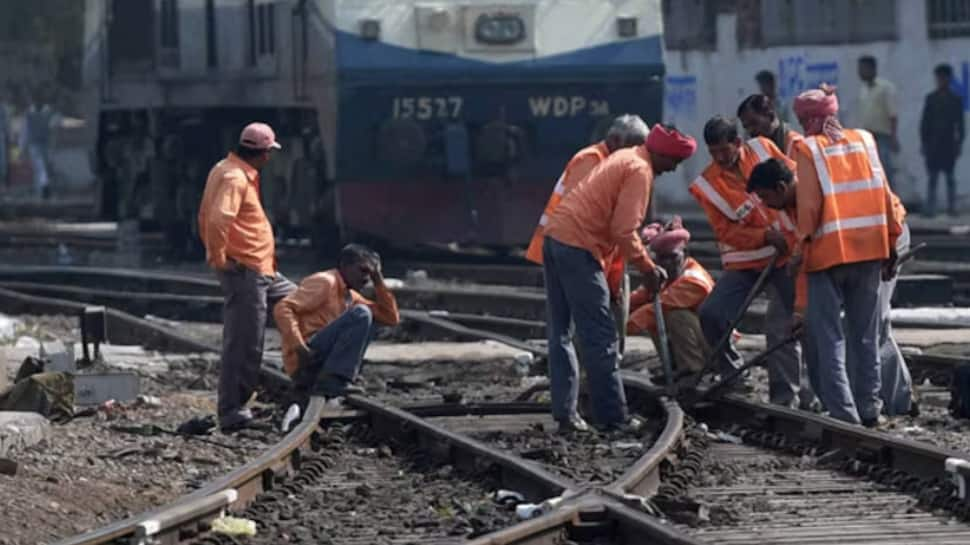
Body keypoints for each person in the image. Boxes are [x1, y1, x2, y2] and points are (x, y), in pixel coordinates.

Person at [542, 124, 696, 432]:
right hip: (578, 247)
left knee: (560, 333)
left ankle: (566, 415)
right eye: (674, 162)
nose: (672, 169)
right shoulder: (640, 170)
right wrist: (648, 268)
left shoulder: (626, 156)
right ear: (662, 154)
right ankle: (613, 419)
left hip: (555, 238)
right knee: (601, 337)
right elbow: (624, 231)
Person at [749, 157, 915, 417]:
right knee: (856, 328)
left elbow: (888, 208)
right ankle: (865, 406)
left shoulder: (813, 198)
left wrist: (890, 249)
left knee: (870, 326)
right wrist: (801, 310)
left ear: (782, 188)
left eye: (765, 196)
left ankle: (892, 404)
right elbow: (807, 262)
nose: (764, 204)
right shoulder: (794, 207)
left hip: (881, 239)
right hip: (856, 245)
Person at [789, 85, 903, 427]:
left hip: (828, 255)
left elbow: (809, 208)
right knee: (866, 335)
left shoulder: (808, 149)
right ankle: (870, 408)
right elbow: (885, 194)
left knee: (831, 339)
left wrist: (800, 246)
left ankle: (844, 415)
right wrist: (892, 243)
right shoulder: (865, 140)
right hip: (870, 251)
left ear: (807, 119)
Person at [690, 116, 805, 408]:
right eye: (713, 152)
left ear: (738, 143)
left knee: (787, 325)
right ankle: (732, 376)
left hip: (785, 258)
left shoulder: (764, 149)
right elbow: (725, 231)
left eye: (724, 151)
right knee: (712, 313)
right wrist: (763, 236)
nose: (719, 158)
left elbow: (794, 186)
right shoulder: (707, 184)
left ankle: (788, 397)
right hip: (745, 263)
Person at [198, 122, 296, 431]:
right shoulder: (234, 177)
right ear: (264, 153)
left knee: (306, 304)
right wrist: (218, 257)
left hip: (263, 270)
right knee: (244, 342)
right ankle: (231, 411)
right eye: (269, 153)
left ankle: (311, 382)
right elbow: (217, 219)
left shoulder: (228, 168)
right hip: (245, 270)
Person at [275, 244, 399, 404]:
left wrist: (378, 280)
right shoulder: (326, 282)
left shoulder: (350, 295)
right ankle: (333, 380)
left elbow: (390, 318)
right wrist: (298, 346)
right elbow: (283, 307)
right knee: (362, 314)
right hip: (306, 358)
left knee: (369, 320)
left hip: (318, 362)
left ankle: (337, 378)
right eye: (363, 270)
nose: (366, 278)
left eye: (371, 274)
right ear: (345, 266)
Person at [627, 217, 714, 375]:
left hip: (716, 346)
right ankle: (674, 368)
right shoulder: (665, 277)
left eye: (673, 257)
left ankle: (693, 371)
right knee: (654, 316)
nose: (667, 263)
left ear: (685, 254)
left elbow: (658, 307)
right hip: (700, 340)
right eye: (662, 259)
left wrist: (623, 327)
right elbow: (638, 297)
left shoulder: (693, 279)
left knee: (674, 314)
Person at [920, 63, 965, 217]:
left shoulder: (956, 100)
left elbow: (961, 125)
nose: (940, 80)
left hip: (949, 144)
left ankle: (952, 208)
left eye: (943, 78)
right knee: (932, 178)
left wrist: (959, 143)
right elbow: (924, 123)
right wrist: (924, 144)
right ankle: (930, 209)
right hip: (933, 144)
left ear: (949, 79)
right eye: (938, 78)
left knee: (950, 178)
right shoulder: (931, 98)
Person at [857, 56, 899, 184]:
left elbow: (893, 114)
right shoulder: (863, 90)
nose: (860, 72)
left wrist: (893, 136)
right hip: (867, 136)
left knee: (885, 169)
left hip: (882, 136)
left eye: (863, 69)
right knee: (869, 170)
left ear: (872, 69)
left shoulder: (886, 88)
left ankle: (890, 199)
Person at [737, 94, 803, 157]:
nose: (750, 131)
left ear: (770, 115)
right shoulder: (756, 149)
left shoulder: (794, 143)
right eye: (746, 127)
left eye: (754, 123)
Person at [20, 91, 57, 199]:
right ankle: (41, 190)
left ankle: (42, 188)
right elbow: (26, 131)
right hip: (39, 144)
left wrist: (22, 148)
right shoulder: (45, 113)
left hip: (39, 145)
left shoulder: (32, 114)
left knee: (40, 167)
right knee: (41, 167)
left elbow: (25, 132)